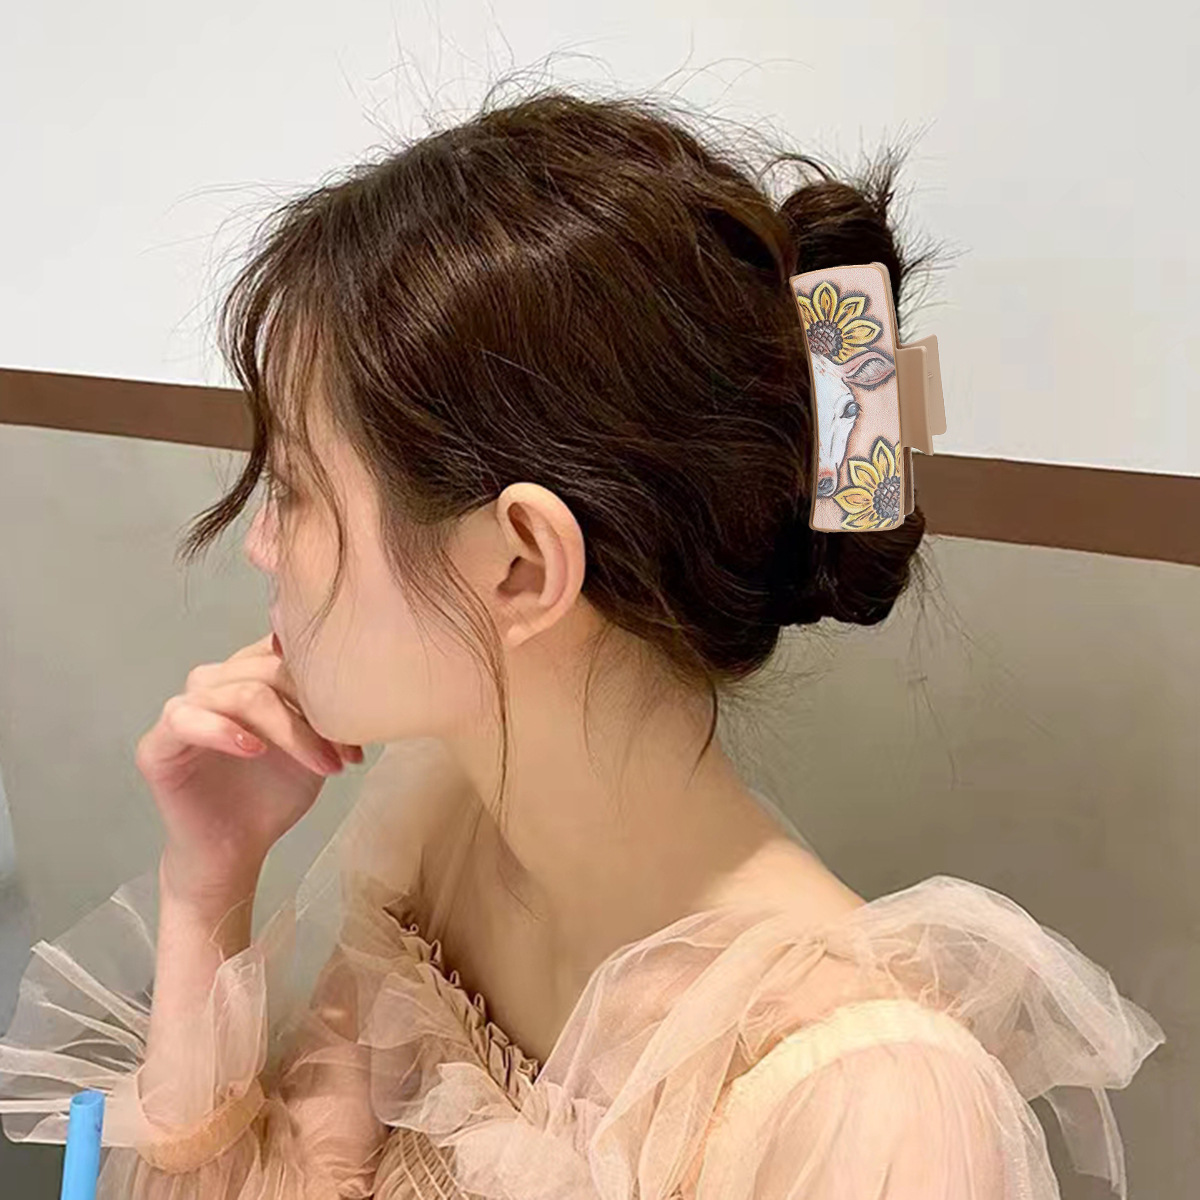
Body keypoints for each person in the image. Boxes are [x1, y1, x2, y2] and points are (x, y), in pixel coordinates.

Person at [0, 87, 1163, 1199]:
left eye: (297, 489)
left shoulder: (862, 1106)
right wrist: (208, 885)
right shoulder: (442, 821)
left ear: (522, 564)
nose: (261, 543)